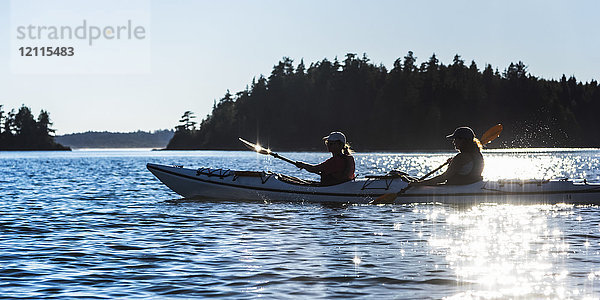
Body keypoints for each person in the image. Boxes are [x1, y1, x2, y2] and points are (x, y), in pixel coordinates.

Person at [411, 126, 484, 186]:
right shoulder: (477, 154)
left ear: (463, 140)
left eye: (456, 139)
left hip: (459, 187)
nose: (453, 142)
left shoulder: (461, 157)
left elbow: (443, 178)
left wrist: (420, 184)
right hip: (472, 184)